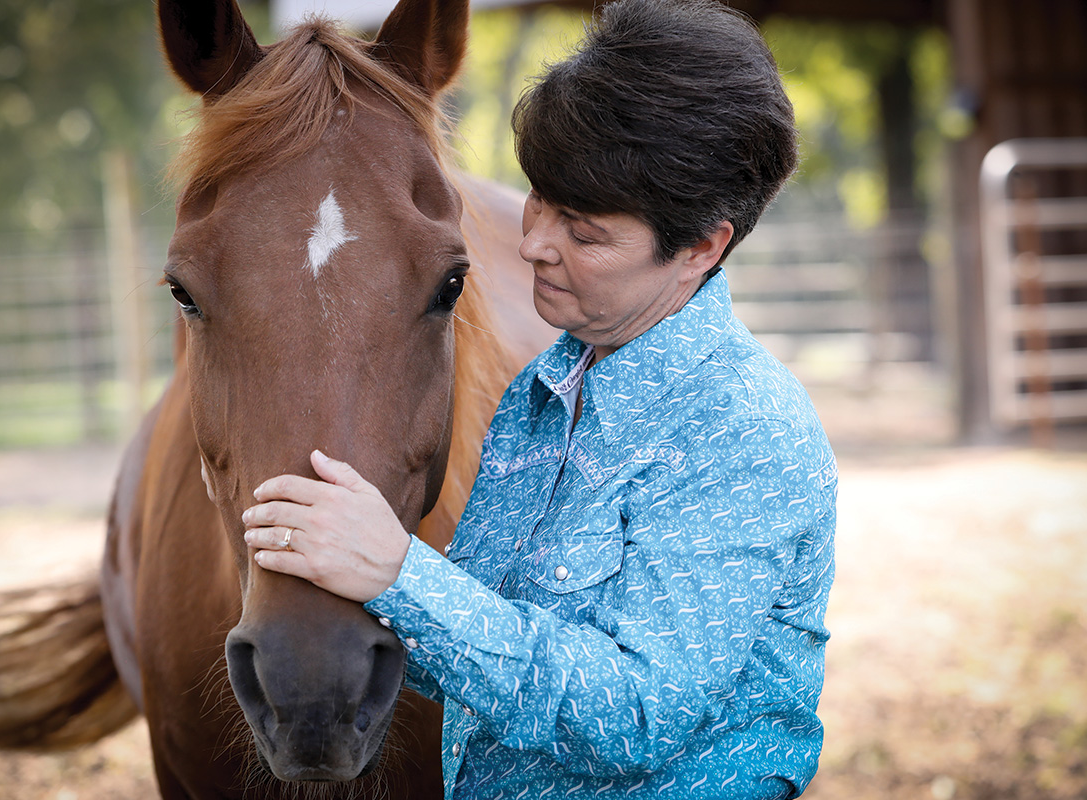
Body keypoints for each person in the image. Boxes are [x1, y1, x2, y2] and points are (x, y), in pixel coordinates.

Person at [241, 0, 837, 797]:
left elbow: (635, 717)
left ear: (701, 246)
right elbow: (488, 644)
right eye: (539, 199)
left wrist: (396, 575)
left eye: (584, 233)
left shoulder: (741, 430)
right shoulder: (544, 389)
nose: (531, 245)